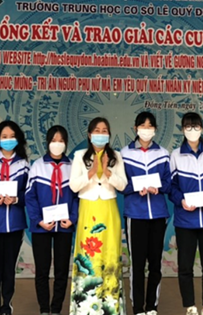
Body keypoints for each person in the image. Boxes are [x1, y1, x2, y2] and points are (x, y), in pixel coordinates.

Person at [68, 117, 128, 315]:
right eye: (97, 130)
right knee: (88, 256)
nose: (101, 134)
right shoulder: (79, 156)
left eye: (104, 131)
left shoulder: (116, 156)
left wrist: (107, 171)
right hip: (88, 209)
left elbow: (123, 185)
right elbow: (73, 186)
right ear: (89, 134)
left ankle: (110, 307)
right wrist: (92, 171)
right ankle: (86, 308)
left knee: (109, 256)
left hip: (109, 210)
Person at [169, 112, 203, 315]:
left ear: (202, 128)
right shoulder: (176, 156)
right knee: (185, 267)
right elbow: (171, 186)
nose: (192, 130)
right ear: (183, 129)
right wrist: (181, 200)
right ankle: (190, 307)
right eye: (188, 127)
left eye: (196, 126)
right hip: (185, 221)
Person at [121, 112, 172, 315]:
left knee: (155, 264)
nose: (146, 129)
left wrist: (158, 188)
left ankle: (152, 307)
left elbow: (169, 182)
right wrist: (136, 187)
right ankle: (138, 308)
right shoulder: (124, 153)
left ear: (155, 129)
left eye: (150, 126)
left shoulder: (163, 153)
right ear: (135, 128)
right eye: (142, 125)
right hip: (135, 215)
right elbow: (121, 184)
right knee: (137, 265)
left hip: (158, 214)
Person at [25, 125, 78, 315]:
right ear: (48, 142)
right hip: (42, 227)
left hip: (64, 226)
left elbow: (77, 197)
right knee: (42, 271)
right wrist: (38, 220)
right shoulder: (38, 166)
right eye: (54, 140)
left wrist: (73, 218)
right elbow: (30, 196)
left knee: (62, 271)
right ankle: (44, 309)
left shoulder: (73, 166)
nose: (57, 144)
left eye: (61, 141)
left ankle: (56, 309)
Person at [0, 121, 30, 315]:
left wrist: (16, 199)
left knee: (9, 268)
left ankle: (7, 305)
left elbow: (30, 194)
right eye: (4, 136)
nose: (8, 140)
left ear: (18, 139)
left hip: (15, 224)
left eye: (12, 136)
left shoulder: (24, 164)